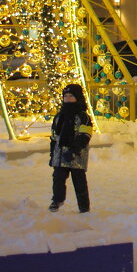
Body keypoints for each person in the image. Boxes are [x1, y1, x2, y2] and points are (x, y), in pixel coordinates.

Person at [49, 83, 93, 213]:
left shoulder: (83, 117)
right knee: (58, 178)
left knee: (79, 181)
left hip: (76, 156)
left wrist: (74, 149)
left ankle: (84, 206)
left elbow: (85, 135)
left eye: (71, 96)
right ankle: (57, 200)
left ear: (77, 98)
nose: (68, 99)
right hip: (60, 155)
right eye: (66, 96)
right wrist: (52, 154)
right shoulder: (59, 116)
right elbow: (53, 137)